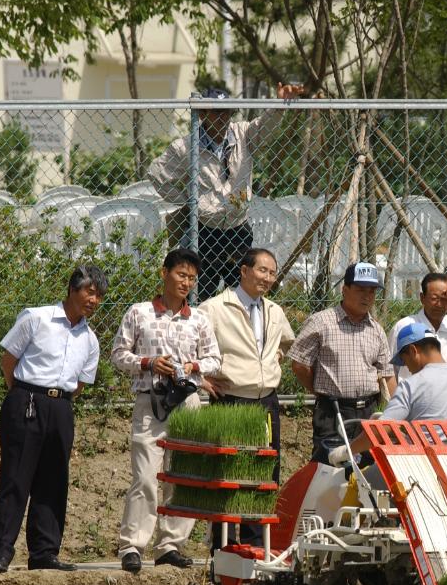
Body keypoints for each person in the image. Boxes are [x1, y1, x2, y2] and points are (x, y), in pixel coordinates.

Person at [0, 266, 107, 573]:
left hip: (62, 406)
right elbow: (8, 360)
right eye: (89, 292)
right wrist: (23, 394)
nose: (94, 300)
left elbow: (79, 384)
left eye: (100, 296)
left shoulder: (90, 340)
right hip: (26, 398)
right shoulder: (36, 318)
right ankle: (1, 551)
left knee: (53, 482)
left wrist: (56, 402)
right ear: (72, 289)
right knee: (16, 477)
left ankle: (44, 551)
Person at [111, 249, 221, 573]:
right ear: (164, 273)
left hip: (187, 401)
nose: (186, 282)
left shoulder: (199, 318)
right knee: (145, 476)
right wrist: (147, 362)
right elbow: (118, 354)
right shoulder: (139, 313)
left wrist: (193, 365)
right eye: (180, 274)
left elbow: (215, 358)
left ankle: (170, 545)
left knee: (183, 476)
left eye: (191, 277)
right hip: (151, 401)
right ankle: (133, 545)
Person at [148, 84, 304, 297]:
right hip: (204, 230)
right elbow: (157, 174)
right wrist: (191, 201)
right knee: (202, 294)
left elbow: (265, 127)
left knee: (241, 294)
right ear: (203, 113)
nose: (222, 117)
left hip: (237, 228)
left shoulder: (243, 134)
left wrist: (279, 105)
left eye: (226, 111)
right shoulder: (186, 146)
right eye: (216, 111)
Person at [198, 247, 294, 547]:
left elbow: (287, 341)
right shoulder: (213, 308)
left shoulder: (274, 311)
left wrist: (275, 356)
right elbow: (192, 348)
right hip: (231, 398)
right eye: (262, 270)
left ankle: (254, 544)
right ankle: (223, 544)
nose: (267, 278)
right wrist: (201, 378)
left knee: (264, 472)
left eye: (272, 272)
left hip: (266, 401)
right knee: (227, 474)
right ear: (244, 271)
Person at [329, 324, 447, 462]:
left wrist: (346, 451)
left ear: (413, 351)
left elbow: (380, 430)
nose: (406, 366)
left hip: (423, 469)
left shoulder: (411, 386)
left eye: (404, 360)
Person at [288, 261, 396, 464]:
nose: (367, 296)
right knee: (330, 467)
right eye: (360, 289)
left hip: (368, 412)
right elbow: (300, 365)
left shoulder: (376, 329)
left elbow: (387, 374)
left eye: (372, 291)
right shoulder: (321, 322)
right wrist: (320, 391)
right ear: (345, 289)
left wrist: (397, 411)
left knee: (368, 469)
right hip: (333, 411)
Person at [387, 271, 447, 380]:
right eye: (434, 298)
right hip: (415, 395)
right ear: (422, 298)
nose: (439, 304)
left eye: (445, 299)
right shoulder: (404, 326)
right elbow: (390, 370)